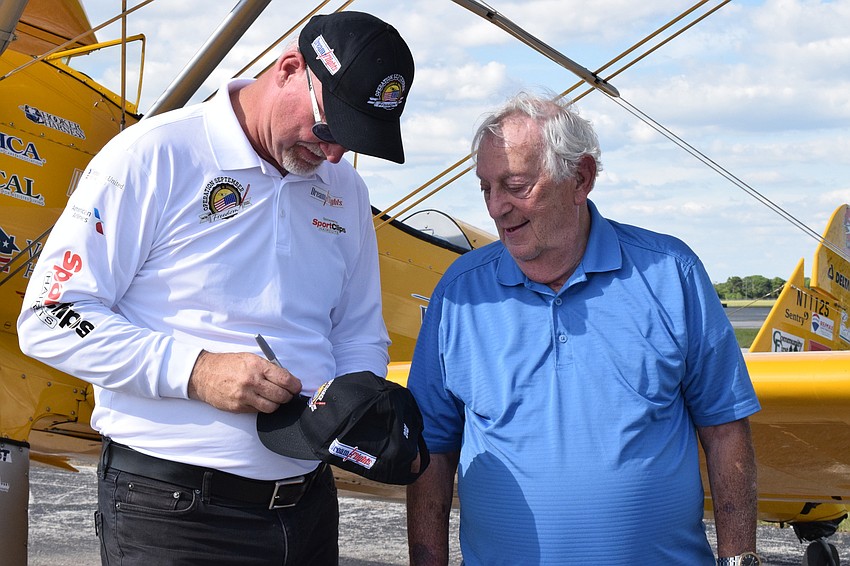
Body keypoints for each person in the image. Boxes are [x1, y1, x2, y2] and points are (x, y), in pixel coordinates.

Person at [17, 11, 414, 566]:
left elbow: (357, 332)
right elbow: (49, 315)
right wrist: (195, 370)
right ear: (289, 67)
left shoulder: (344, 190)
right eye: (328, 129)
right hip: (172, 516)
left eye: (352, 141)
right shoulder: (154, 154)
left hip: (309, 511)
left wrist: (354, 407)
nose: (332, 155)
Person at [405, 92, 761, 565]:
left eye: (516, 185)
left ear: (581, 178)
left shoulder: (671, 273)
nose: (496, 208)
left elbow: (725, 428)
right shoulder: (459, 291)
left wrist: (739, 559)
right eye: (485, 188)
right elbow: (431, 448)